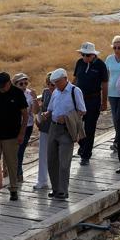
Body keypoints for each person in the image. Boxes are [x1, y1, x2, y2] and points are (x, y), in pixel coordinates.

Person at [42, 68, 86, 199]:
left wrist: (67, 117)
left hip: (67, 129)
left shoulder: (75, 91)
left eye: (57, 82)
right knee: (51, 160)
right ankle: (55, 188)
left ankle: (63, 190)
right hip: (53, 128)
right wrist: (47, 114)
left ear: (65, 79)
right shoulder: (55, 91)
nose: (55, 85)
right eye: (54, 82)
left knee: (64, 162)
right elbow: (50, 108)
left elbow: (82, 110)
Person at [0, 72, 28, 201]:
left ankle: (14, 188)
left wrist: (22, 133)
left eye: (3, 86)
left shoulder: (18, 93)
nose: (1, 88)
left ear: (9, 83)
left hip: (11, 135)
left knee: (12, 163)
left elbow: (25, 115)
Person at [73, 42, 108, 166]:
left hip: (93, 100)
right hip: (79, 100)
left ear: (93, 55)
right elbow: (75, 79)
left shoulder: (100, 65)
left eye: (88, 55)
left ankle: (86, 155)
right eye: (83, 54)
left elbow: (104, 84)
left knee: (90, 128)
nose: (85, 57)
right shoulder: (79, 63)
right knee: (75, 126)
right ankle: (83, 146)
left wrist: (104, 102)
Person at [11, 74, 38, 181]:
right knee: (12, 151)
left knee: (20, 151)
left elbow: (36, 111)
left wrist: (35, 98)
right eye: (21, 84)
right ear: (15, 84)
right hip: (13, 126)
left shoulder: (30, 94)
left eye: (26, 83)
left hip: (27, 126)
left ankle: (18, 174)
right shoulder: (10, 94)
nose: (24, 86)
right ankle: (12, 174)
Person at [105, 35, 120, 150]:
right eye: (114, 48)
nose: (117, 50)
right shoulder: (109, 59)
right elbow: (105, 75)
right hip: (112, 93)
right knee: (115, 118)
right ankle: (119, 139)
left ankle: (119, 141)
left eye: (119, 48)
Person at [33, 73, 55, 190]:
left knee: (55, 156)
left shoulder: (62, 93)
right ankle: (42, 181)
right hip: (45, 127)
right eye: (49, 84)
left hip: (58, 128)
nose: (51, 87)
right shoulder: (46, 92)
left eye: (53, 84)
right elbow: (40, 108)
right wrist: (39, 119)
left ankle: (55, 181)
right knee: (43, 154)